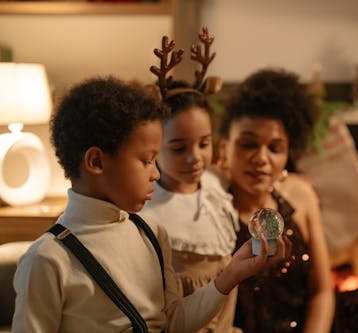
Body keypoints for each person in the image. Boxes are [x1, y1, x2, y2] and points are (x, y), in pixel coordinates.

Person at [12, 76, 288, 333]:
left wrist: (231, 274)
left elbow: (173, 322)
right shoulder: (48, 259)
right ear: (96, 162)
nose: (155, 173)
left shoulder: (151, 233)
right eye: (146, 161)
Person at [217, 68, 334, 333]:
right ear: (224, 148)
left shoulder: (301, 196)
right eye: (248, 144)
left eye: (275, 148)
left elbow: (322, 292)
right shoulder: (212, 208)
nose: (261, 158)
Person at [140, 79, 241, 333]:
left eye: (204, 144)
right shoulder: (148, 208)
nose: (195, 157)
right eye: (179, 147)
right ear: (153, 147)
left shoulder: (215, 185)